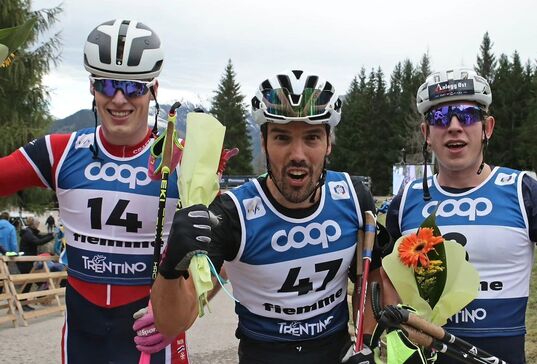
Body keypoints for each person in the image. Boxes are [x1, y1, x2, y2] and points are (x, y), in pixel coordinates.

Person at [150, 69, 382, 364]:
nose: (297, 154)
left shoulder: (353, 196)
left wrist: (369, 343)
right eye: (282, 138)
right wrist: (170, 267)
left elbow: (371, 283)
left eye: (311, 138)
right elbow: (172, 323)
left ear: (328, 143)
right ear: (264, 142)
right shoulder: (232, 213)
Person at [0, 19, 189, 363]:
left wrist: (185, 306)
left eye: (133, 88)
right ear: (92, 87)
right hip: (82, 337)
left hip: (151, 336)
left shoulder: (183, 160)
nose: (119, 99)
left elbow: (221, 254)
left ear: (154, 90)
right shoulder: (59, 151)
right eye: (107, 85)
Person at [385, 67, 537, 364]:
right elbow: (386, 280)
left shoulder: (523, 191)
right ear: (426, 133)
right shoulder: (405, 201)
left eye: (467, 115)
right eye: (440, 118)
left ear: (487, 128)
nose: (454, 126)